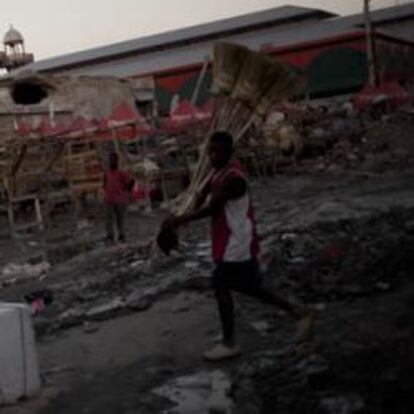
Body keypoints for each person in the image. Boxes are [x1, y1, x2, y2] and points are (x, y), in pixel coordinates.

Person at [166, 131, 314, 361]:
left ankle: (229, 342)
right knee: (248, 287)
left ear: (229, 152)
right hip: (228, 239)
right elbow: (203, 194)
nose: (213, 156)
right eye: (210, 152)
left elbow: (214, 208)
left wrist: (180, 220)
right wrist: (186, 207)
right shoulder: (218, 172)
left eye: (217, 152)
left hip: (237, 241)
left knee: (220, 284)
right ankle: (297, 311)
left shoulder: (234, 178)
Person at [104, 153, 134, 243]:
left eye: (114, 160)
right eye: (111, 160)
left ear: (117, 161)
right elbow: (105, 184)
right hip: (109, 199)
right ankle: (110, 236)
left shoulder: (121, 173)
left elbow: (131, 181)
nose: (112, 162)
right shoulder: (107, 173)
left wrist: (126, 190)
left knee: (120, 219)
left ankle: (121, 235)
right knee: (109, 219)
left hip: (120, 200)